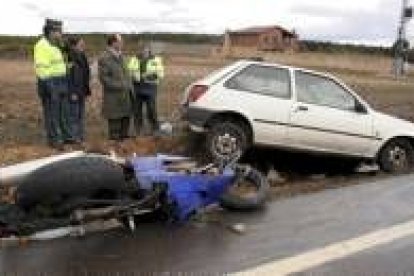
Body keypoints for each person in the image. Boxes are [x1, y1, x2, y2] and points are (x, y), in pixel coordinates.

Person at [34, 19, 72, 149]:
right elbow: (41, 69)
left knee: (62, 113)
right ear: (51, 32)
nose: (61, 33)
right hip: (50, 84)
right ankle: (55, 141)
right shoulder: (41, 46)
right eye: (59, 31)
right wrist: (51, 87)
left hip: (61, 82)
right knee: (52, 114)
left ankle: (63, 138)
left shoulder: (55, 45)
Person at [98, 34, 132, 141]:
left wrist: (129, 85)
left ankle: (124, 145)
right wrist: (121, 86)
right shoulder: (104, 58)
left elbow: (126, 74)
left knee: (125, 125)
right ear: (113, 43)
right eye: (120, 41)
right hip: (113, 98)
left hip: (125, 96)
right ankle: (114, 149)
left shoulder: (121, 56)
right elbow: (104, 79)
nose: (122, 43)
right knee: (115, 127)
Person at [131, 46, 164, 136]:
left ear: (149, 51)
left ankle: (155, 128)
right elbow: (129, 71)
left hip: (150, 87)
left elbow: (160, 74)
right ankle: (137, 129)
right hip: (137, 87)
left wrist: (149, 76)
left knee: (151, 109)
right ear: (140, 50)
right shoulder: (134, 59)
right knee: (137, 110)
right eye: (143, 50)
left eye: (146, 50)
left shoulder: (156, 60)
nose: (144, 52)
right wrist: (133, 76)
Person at [67, 36, 91, 144]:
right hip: (74, 92)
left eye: (83, 44)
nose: (83, 46)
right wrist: (72, 92)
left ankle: (80, 137)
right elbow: (68, 77)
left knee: (80, 115)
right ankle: (73, 137)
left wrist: (86, 89)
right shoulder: (69, 57)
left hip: (81, 90)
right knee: (73, 115)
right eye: (81, 44)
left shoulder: (82, 56)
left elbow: (86, 73)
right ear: (74, 45)